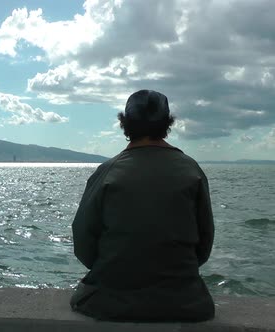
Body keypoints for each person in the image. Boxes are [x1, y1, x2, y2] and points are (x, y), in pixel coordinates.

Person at [70, 90, 215, 322]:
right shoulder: (191, 170)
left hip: (109, 301)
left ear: (125, 124)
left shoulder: (107, 172)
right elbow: (204, 241)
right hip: (186, 302)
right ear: (167, 123)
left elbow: (83, 239)